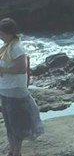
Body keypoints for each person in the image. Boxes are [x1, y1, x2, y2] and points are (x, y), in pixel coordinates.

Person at [0, 19, 44, 156]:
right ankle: (12, 150)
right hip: (6, 89)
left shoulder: (17, 47)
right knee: (9, 123)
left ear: (8, 32)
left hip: (15, 90)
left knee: (16, 124)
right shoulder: (7, 46)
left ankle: (16, 152)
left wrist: (2, 70)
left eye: (1, 32)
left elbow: (22, 69)